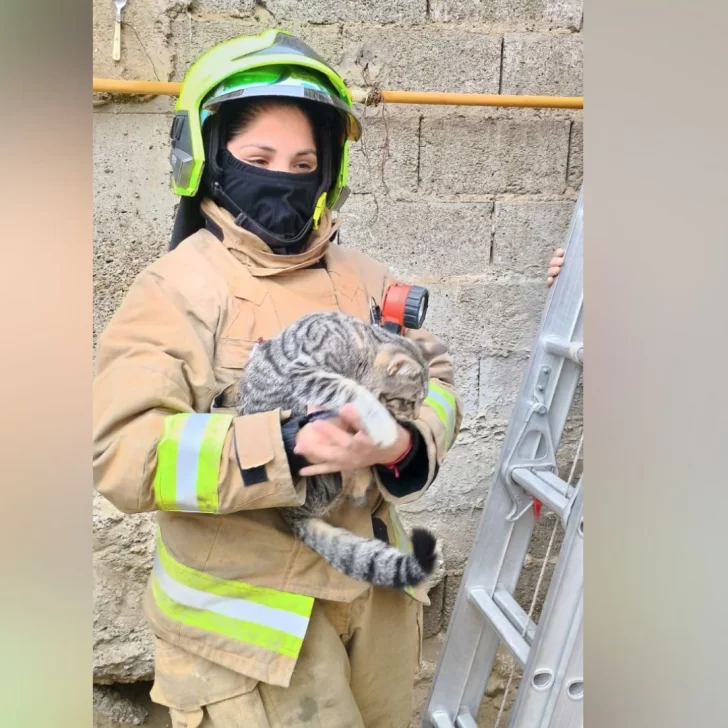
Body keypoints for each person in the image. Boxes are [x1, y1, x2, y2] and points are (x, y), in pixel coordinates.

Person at [93, 29, 462, 728]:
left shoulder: (367, 280)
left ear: (328, 171)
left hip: (373, 609)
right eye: (258, 159)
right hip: (253, 649)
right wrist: (286, 445)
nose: (283, 178)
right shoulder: (177, 289)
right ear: (207, 158)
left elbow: (438, 378)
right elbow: (122, 457)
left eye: (303, 161)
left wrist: (405, 447)